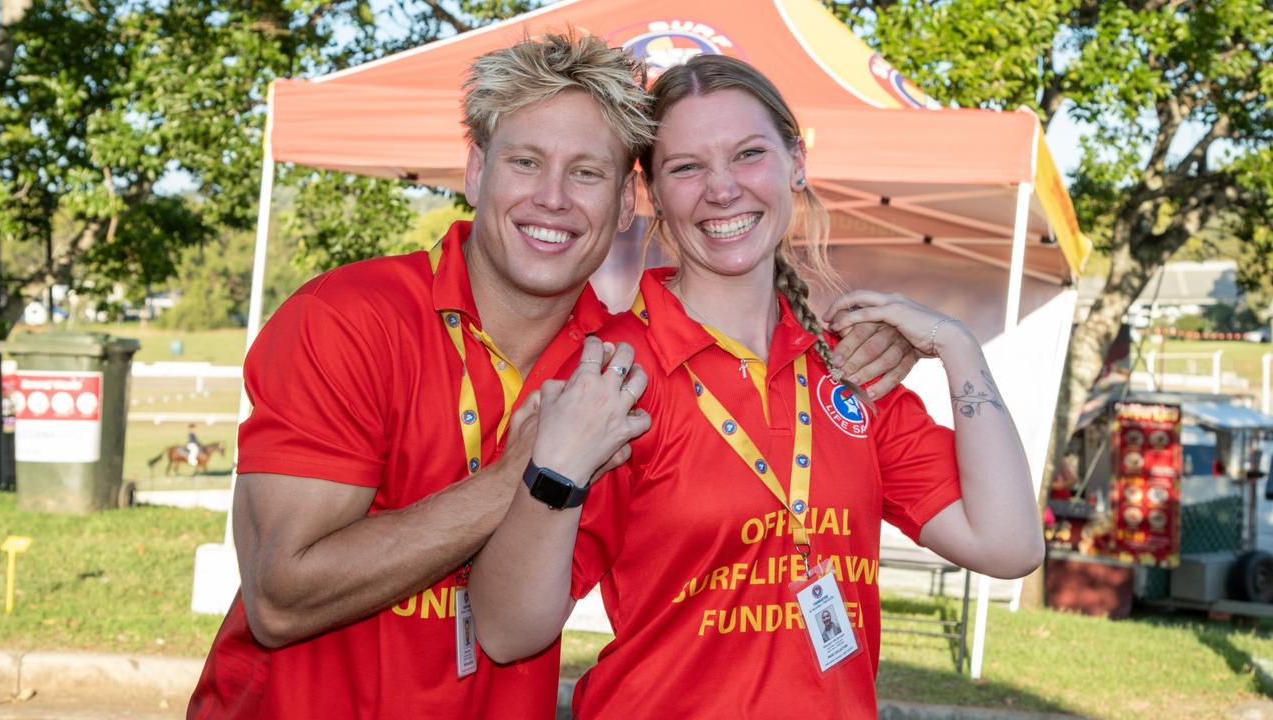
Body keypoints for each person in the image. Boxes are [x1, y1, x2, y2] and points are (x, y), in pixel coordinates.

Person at [188, 35, 915, 719]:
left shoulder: (627, 364)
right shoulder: (349, 319)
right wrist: (525, 475)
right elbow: (280, 597)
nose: (554, 199)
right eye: (525, 162)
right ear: (476, 171)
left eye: (589, 173)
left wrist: (873, 344)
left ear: (627, 203)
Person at [469, 55, 1044, 719]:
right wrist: (557, 469)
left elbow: (1009, 547)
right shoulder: (615, 372)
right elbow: (508, 632)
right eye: (686, 168)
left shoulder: (847, 369)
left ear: (795, 162)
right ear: (653, 193)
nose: (721, 189)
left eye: (747, 154)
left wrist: (960, 350)